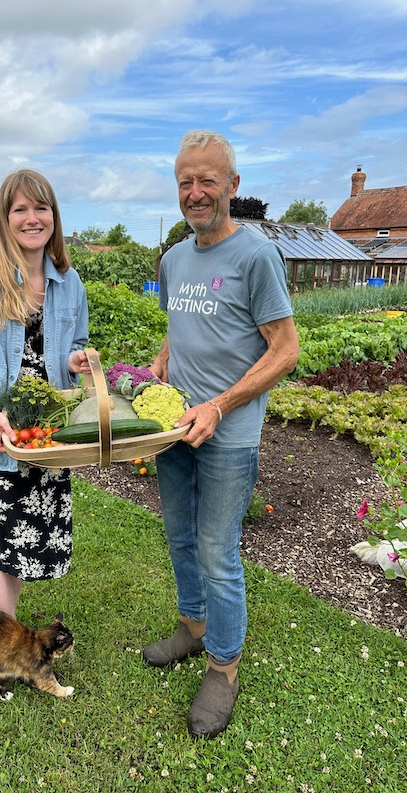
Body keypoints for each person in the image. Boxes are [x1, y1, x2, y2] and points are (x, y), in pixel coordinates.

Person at [143, 130, 299, 739]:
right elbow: (184, 326)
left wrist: (220, 404)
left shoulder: (256, 256)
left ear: (232, 186)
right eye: (185, 181)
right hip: (175, 429)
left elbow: (284, 350)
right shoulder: (175, 257)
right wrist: (163, 359)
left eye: (208, 180)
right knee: (180, 536)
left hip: (228, 435)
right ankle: (193, 626)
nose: (195, 192)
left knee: (217, 551)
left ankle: (223, 666)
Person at [0, 169, 89, 617]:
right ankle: (7, 640)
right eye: (19, 209)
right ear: (5, 218)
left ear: (53, 216)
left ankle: (5, 632)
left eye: (40, 208)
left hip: (44, 438)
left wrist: (75, 362)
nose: (31, 218)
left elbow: (73, 345)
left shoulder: (69, 282)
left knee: (21, 542)